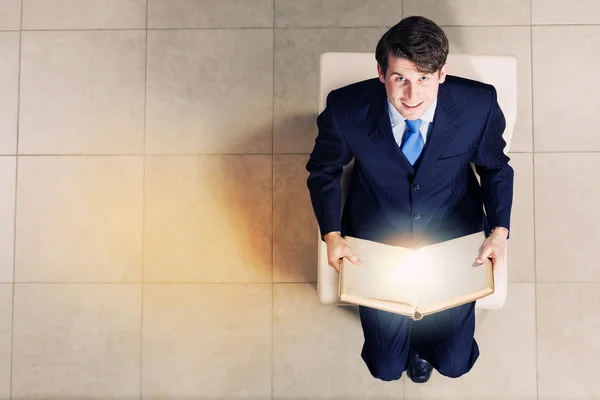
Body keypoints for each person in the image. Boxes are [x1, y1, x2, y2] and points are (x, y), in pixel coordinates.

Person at [305, 16, 513, 383]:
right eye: (400, 78)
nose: (412, 96)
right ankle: (403, 346)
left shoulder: (478, 105)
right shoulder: (345, 108)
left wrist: (499, 229)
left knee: (454, 363)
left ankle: (424, 347)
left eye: (424, 79)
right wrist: (332, 235)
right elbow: (323, 171)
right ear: (381, 72)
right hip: (377, 235)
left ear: (442, 73)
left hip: (453, 233)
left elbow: (495, 168)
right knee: (385, 368)